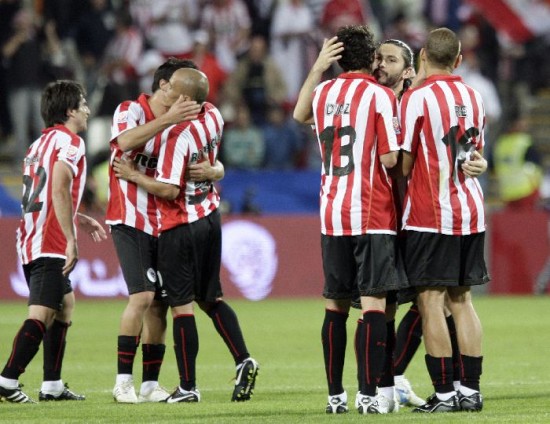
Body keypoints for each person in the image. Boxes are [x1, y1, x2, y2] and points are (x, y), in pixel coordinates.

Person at [112, 67, 259, 403]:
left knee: (180, 307)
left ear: (183, 97)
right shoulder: (214, 114)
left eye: (175, 91)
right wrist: (216, 169)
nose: (169, 95)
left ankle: (188, 387)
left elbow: (166, 189)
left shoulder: (179, 136)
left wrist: (134, 175)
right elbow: (213, 160)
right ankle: (244, 359)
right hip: (210, 216)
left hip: (180, 224)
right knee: (211, 298)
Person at [293, 26, 408, 415]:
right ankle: (368, 394)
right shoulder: (380, 95)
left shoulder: (324, 92)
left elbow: (297, 114)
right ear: (373, 59)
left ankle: (334, 396)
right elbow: (392, 159)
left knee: (335, 307)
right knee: (373, 306)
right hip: (371, 212)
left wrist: (317, 68)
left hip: (332, 213)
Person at [399, 27, 489, 413]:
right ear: (458, 61)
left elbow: (403, 164)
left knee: (430, 302)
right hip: (470, 211)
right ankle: (470, 391)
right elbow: (474, 157)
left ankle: (445, 394)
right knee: (463, 299)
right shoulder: (474, 96)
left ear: (421, 57)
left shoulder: (416, 99)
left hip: (430, 214)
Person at [0, 80, 107, 403]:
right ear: (71, 110)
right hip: (50, 240)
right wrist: (71, 239)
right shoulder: (72, 143)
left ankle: (52, 385)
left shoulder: (37, 145)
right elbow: (59, 187)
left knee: (65, 305)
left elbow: (45, 194)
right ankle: (7, 381)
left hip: (32, 234)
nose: (87, 110)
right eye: (83, 104)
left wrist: (77, 216)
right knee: (42, 313)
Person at [106, 57, 204, 404]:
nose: (187, 100)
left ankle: (149, 384)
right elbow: (124, 142)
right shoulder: (130, 109)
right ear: (164, 86)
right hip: (129, 217)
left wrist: (215, 170)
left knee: (159, 305)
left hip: (166, 223)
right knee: (142, 296)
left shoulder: (183, 126)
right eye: (183, 92)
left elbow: (204, 160)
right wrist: (167, 120)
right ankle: (122, 383)